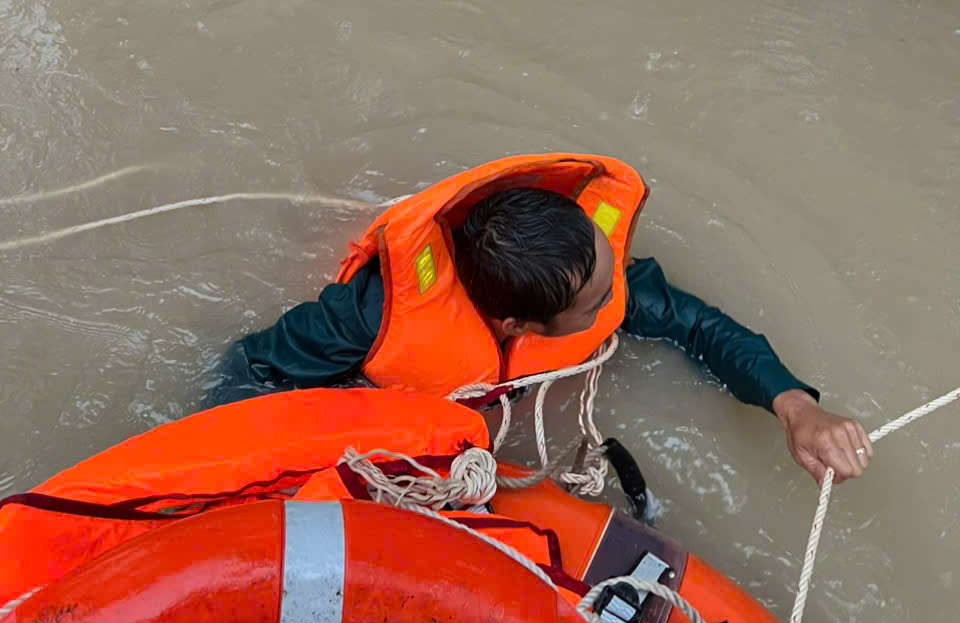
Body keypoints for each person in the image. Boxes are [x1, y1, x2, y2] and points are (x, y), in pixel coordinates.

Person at [213, 152, 872, 484]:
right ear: (520, 329)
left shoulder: (589, 270)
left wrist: (795, 408)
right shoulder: (367, 318)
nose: (619, 292)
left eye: (609, 272)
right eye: (596, 302)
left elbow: (699, 328)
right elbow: (250, 370)